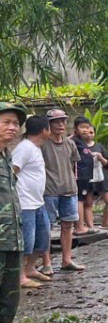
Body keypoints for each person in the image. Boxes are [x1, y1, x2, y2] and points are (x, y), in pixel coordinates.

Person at [0, 102, 31, 323]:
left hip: (12, 236)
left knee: (10, 291)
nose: (12, 127)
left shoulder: (6, 157)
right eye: (6, 122)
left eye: (15, 123)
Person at [40, 108, 83, 272]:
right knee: (46, 226)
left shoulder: (70, 143)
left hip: (69, 189)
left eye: (63, 121)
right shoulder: (42, 144)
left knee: (68, 225)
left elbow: (74, 165)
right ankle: (46, 262)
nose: (60, 124)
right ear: (48, 124)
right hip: (49, 190)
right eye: (56, 121)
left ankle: (67, 259)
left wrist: (75, 183)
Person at [11, 116, 50, 289]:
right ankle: (20, 277)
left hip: (37, 202)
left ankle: (30, 268)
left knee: (42, 238)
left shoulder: (35, 147)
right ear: (44, 130)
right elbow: (12, 171)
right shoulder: (24, 148)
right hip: (25, 203)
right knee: (26, 241)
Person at [72, 117, 108, 233]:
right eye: (84, 129)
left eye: (91, 131)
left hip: (100, 177)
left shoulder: (99, 146)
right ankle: (89, 226)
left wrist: (100, 157)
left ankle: (105, 222)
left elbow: (107, 163)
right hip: (85, 177)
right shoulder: (76, 143)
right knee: (87, 202)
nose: (88, 133)